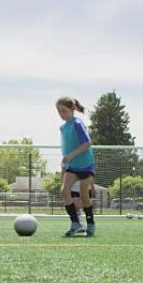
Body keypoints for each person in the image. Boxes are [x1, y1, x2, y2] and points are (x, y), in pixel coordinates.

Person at [56, 96, 97, 237]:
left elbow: (87, 143)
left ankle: (90, 223)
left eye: (63, 110)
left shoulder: (77, 123)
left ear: (72, 109)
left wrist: (71, 155)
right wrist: (65, 160)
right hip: (72, 166)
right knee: (64, 191)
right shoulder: (63, 127)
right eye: (59, 111)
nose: (61, 114)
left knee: (84, 195)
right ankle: (76, 223)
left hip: (85, 165)